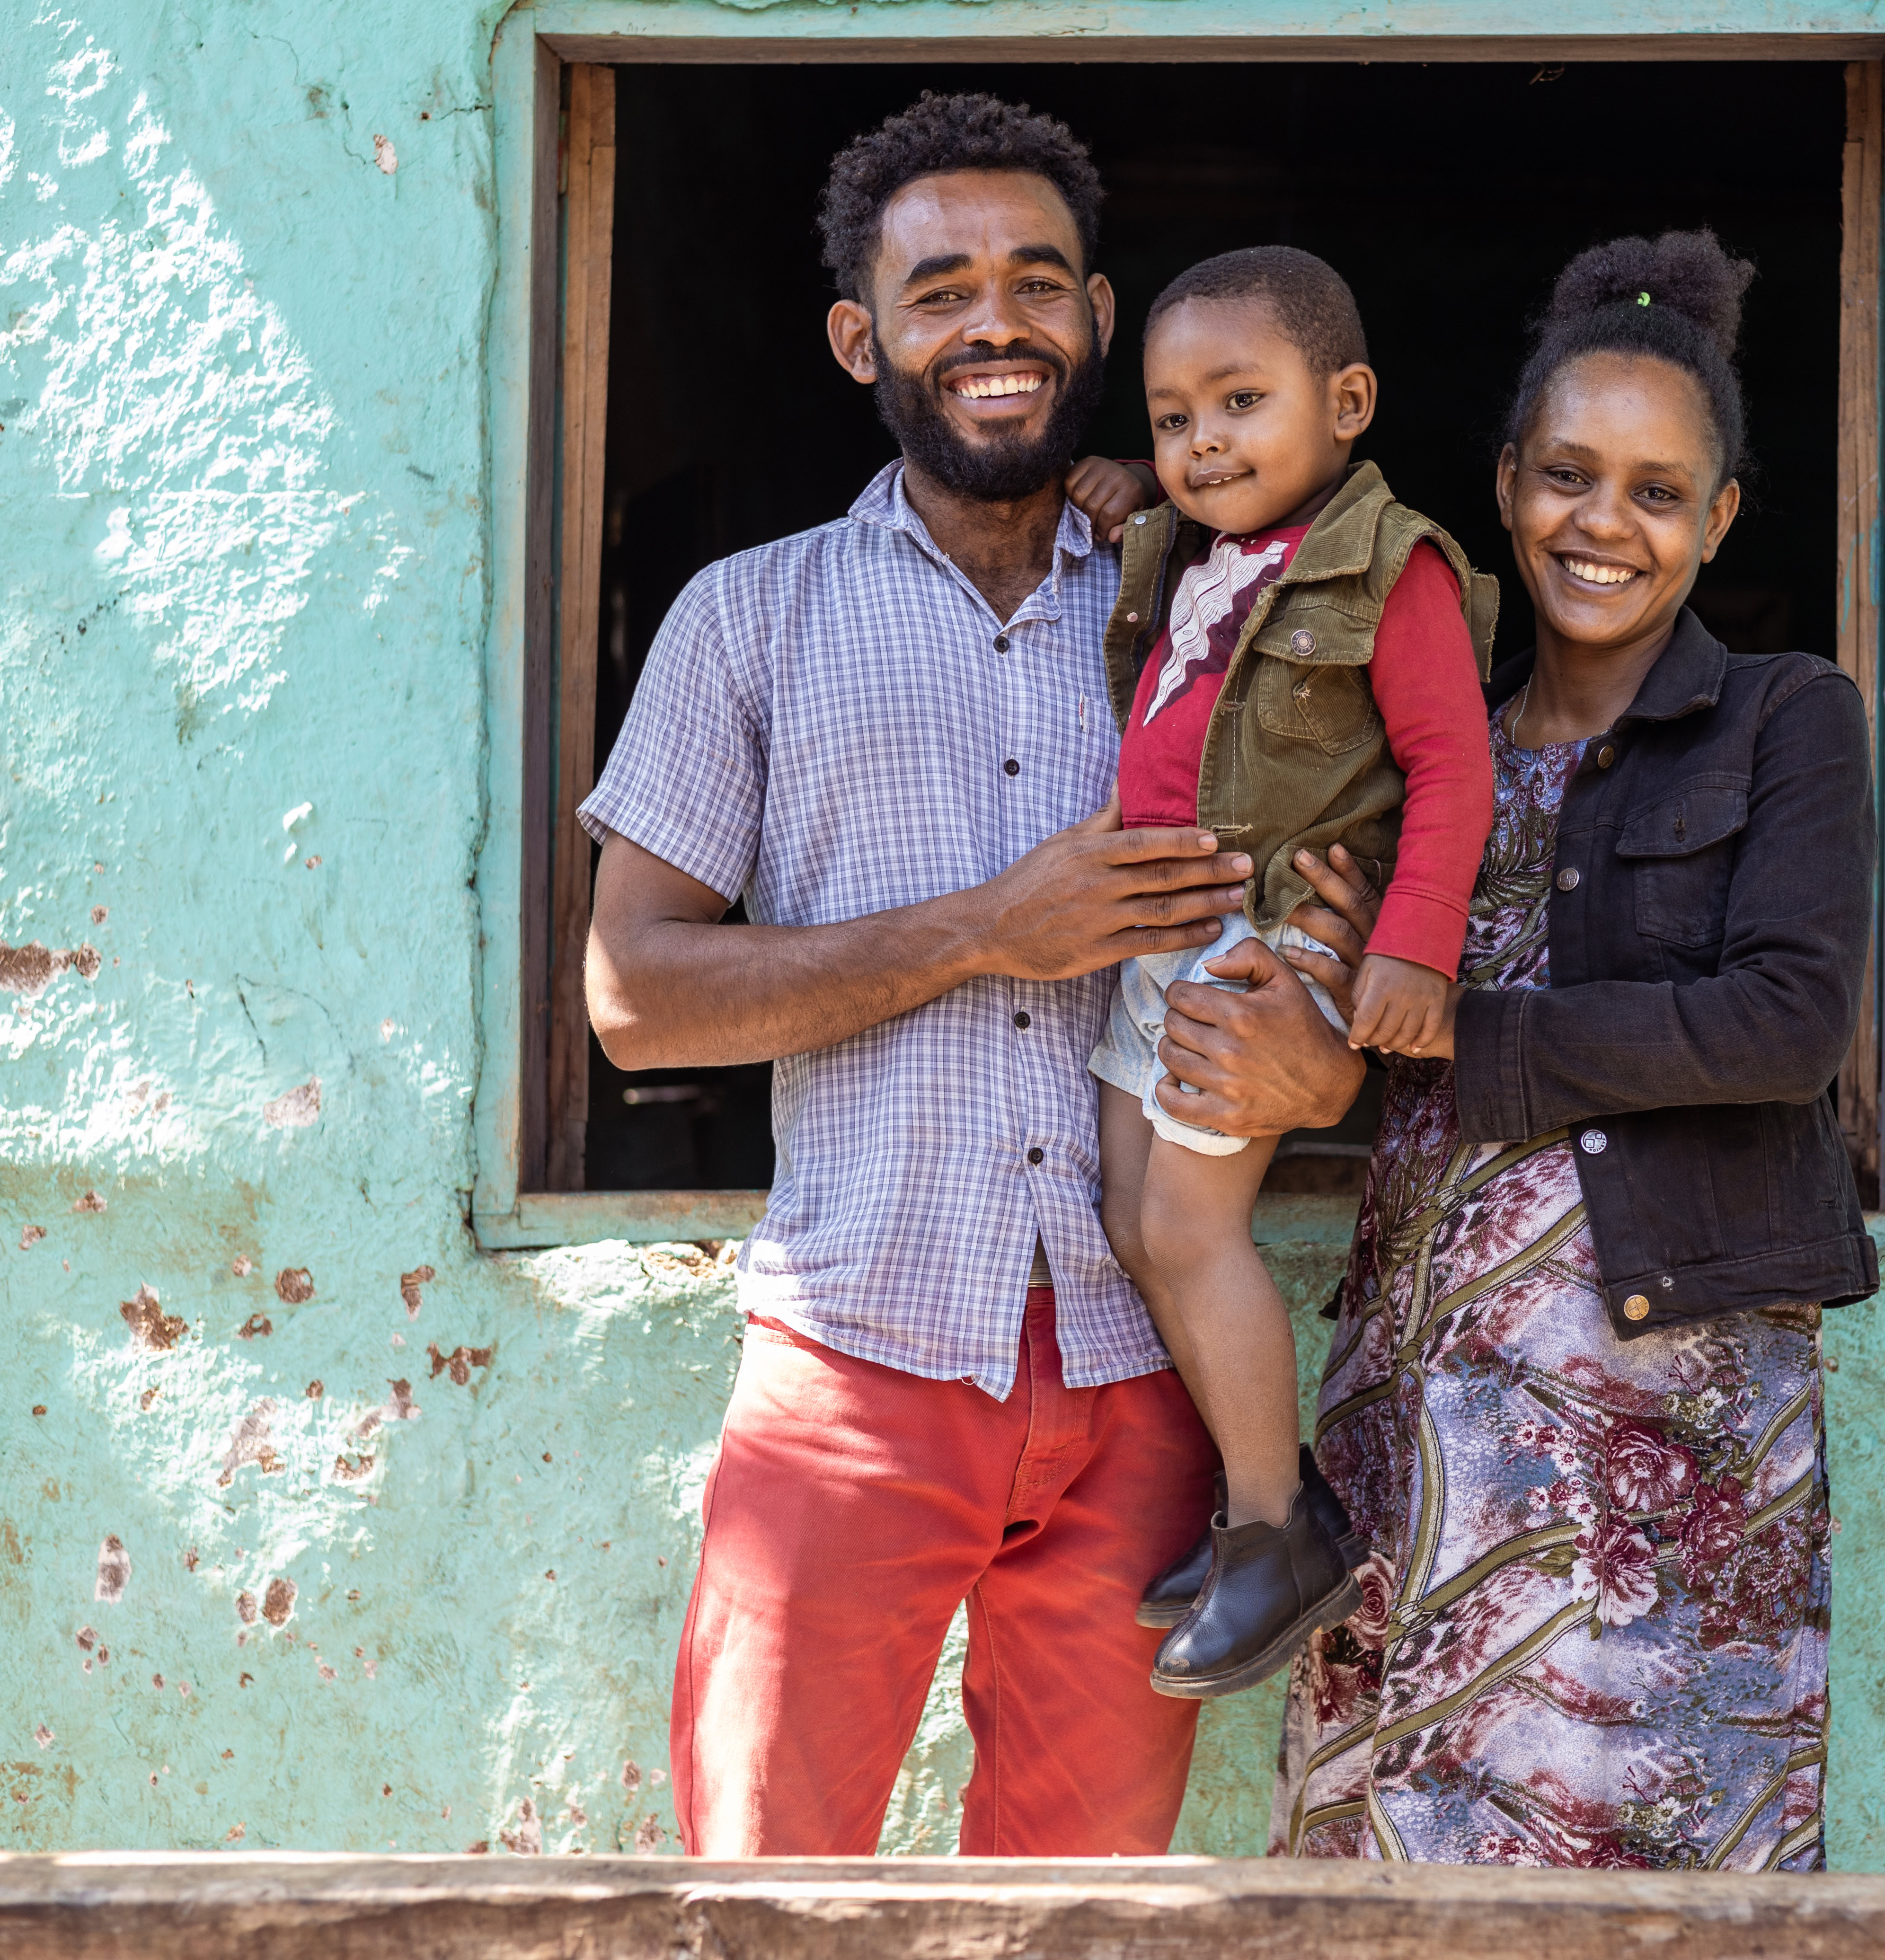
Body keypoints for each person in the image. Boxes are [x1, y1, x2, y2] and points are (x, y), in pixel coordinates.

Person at [577, 92, 1369, 1858]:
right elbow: (632, 996)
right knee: (765, 1890)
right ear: (865, 337)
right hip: (855, 1364)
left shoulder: (1216, 611)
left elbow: (1334, 913)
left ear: (1097, 317)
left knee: (1075, 1912)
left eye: (1035, 283)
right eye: (941, 291)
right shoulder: (748, 617)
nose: (993, 324)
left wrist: (1322, 1071)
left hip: (1140, 1375)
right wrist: (986, 930)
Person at [1273, 230, 1879, 1867]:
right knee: (1387, 1860)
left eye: (1658, 493)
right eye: (1567, 476)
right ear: (1503, 484)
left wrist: (1462, 1038)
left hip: (1656, 1413)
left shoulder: (1785, 720)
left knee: (1644, 1851)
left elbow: (1788, 1021)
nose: (1603, 524)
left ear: (1720, 518)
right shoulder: (1421, 738)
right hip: (1417, 1394)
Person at [1088, 248, 1496, 1698]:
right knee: (1137, 1219)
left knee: (1194, 1231)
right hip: (1162, 936)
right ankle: (1268, 1507)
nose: (1204, 442)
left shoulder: (1398, 572)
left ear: (1349, 403)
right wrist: (1126, 494)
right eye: (1173, 416)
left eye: (1241, 404)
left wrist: (1412, 950)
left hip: (1267, 951)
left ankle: (1278, 1531)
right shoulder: (1197, 556)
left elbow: (1453, 769)